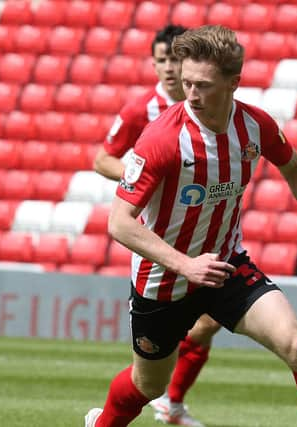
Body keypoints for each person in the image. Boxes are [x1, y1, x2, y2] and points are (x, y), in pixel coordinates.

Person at [85, 25, 297, 427]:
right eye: (187, 82)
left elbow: (295, 169)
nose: (191, 94)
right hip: (163, 281)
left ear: (234, 83)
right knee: (148, 386)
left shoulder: (254, 125)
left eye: (203, 85)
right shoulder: (162, 137)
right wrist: (185, 265)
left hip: (226, 267)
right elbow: (119, 223)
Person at [94, 24, 218, 427]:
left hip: (203, 227)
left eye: (174, 59)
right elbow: (102, 159)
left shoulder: (212, 106)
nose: (168, 68)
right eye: (161, 60)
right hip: (158, 231)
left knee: (210, 320)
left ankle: (170, 400)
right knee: (164, 344)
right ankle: (160, 396)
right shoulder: (141, 110)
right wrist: (139, 171)